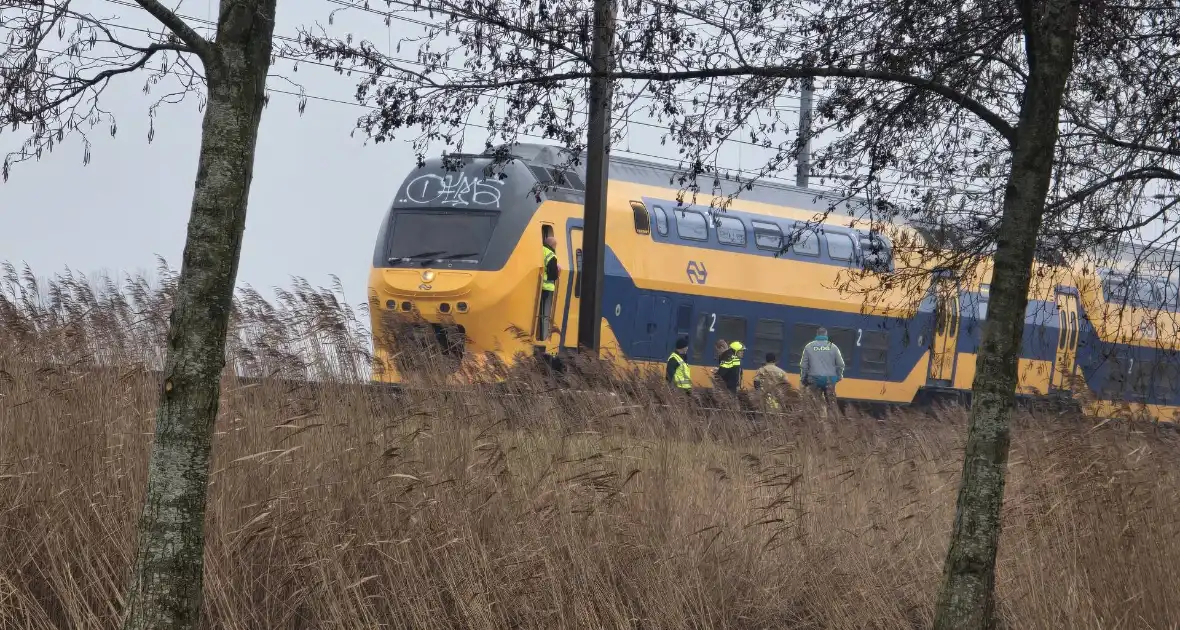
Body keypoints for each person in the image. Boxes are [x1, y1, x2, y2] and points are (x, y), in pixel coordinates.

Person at [799, 327, 845, 417]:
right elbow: (841, 364)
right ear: (826, 335)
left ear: (817, 335)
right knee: (831, 404)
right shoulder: (833, 347)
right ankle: (834, 425)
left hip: (814, 379)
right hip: (830, 379)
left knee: (814, 405)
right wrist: (838, 376)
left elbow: (803, 366)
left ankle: (815, 423)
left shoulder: (809, 346)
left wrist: (803, 379)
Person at [538, 234, 560, 339]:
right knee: (545, 315)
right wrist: (557, 269)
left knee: (538, 312)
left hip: (538, 286)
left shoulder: (539, 250)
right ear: (553, 245)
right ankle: (544, 337)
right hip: (547, 287)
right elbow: (553, 275)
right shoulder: (552, 255)